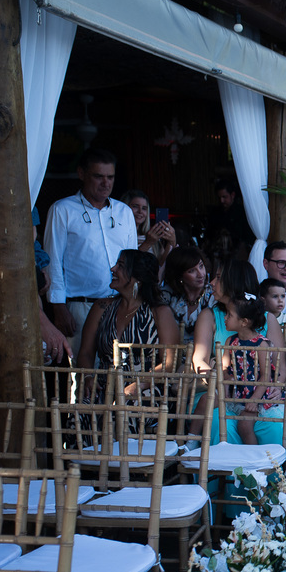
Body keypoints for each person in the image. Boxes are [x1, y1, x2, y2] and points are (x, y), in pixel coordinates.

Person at [43, 148, 137, 359]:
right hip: (80, 306)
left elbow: (133, 261)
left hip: (119, 305)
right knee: (83, 371)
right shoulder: (62, 210)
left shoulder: (124, 212)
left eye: (110, 177)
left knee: (120, 370)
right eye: (98, 176)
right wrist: (59, 308)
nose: (105, 183)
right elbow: (52, 261)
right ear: (82, 174)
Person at [75, 250, 179, 402]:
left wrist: (137, 385)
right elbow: (85, 352)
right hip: (105, 386)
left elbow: (169, 363)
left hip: (147, 387)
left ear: (137, 278)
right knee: (85, 406)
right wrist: (88, 377)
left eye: (121, 266)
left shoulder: (159, 312)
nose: (113, 269)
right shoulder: (101, 307)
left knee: (129, 406)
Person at [221, 295, 284, 445]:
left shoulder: (261, 345)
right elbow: (224, 368)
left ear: (244, 322)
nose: (225, 318)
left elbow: (265, 376)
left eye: (229, 315)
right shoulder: (230, 341)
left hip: (258, 396)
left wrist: (254, 400)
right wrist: (227, 382)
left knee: (244, 425)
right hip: (238, 393)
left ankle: (254, 456)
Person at [160, 246, 214, 345]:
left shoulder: (214, 295)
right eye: (192, 271)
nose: (200, 274)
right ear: (180, 276)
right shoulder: (168, 296)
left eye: (201, 266)